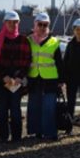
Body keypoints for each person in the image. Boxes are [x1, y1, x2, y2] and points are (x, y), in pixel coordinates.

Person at [0, 11, 32, 142]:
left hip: (16, 82)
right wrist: (4, 76)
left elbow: (27, 61)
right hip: (2, 81)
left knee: (15, 110)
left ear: (18, 23)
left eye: (15, 22)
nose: (12, 24)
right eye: (9, 22)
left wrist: (20, 77)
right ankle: (3, 136)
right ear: (5, 23)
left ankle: (16, 136)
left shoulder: (24, 40)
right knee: (2, 110)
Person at [27, 12, 64, 140]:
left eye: (45, 25)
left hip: (50, 79)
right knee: (34, 105)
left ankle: (50, 132)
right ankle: (36, 131)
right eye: (40, 24)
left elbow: (59, 62)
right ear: (35, 24)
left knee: (49, 106)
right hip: (34, 77)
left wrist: (61, 80)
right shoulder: (28, 40)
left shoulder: (54, 42)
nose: (42, 27)